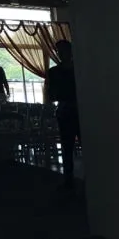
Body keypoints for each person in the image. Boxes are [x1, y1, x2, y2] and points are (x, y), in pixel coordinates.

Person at [46, 40, 80, 190]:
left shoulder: (56, 72)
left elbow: (53, 94)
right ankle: (69, 179)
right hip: (69, 110)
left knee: (69, 146)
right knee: (67, 147)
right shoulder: (75, 71)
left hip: (70, 110)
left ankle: (70, 179)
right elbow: (52, 94)